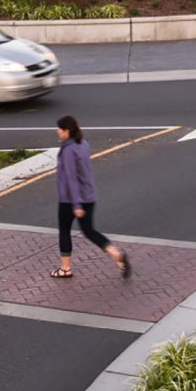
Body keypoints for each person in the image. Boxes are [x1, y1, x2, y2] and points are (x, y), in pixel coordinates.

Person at [51, 115, 130, 279]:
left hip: (71, 199)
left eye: (60, 129)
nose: (57, 131)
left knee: (64, 231)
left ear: (67, 131)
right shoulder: (83, 144)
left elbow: (71, 178)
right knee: (89, 231)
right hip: (89, 196)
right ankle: (116, 254)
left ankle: (65, 269)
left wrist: (76, 205)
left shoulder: (68, 150)